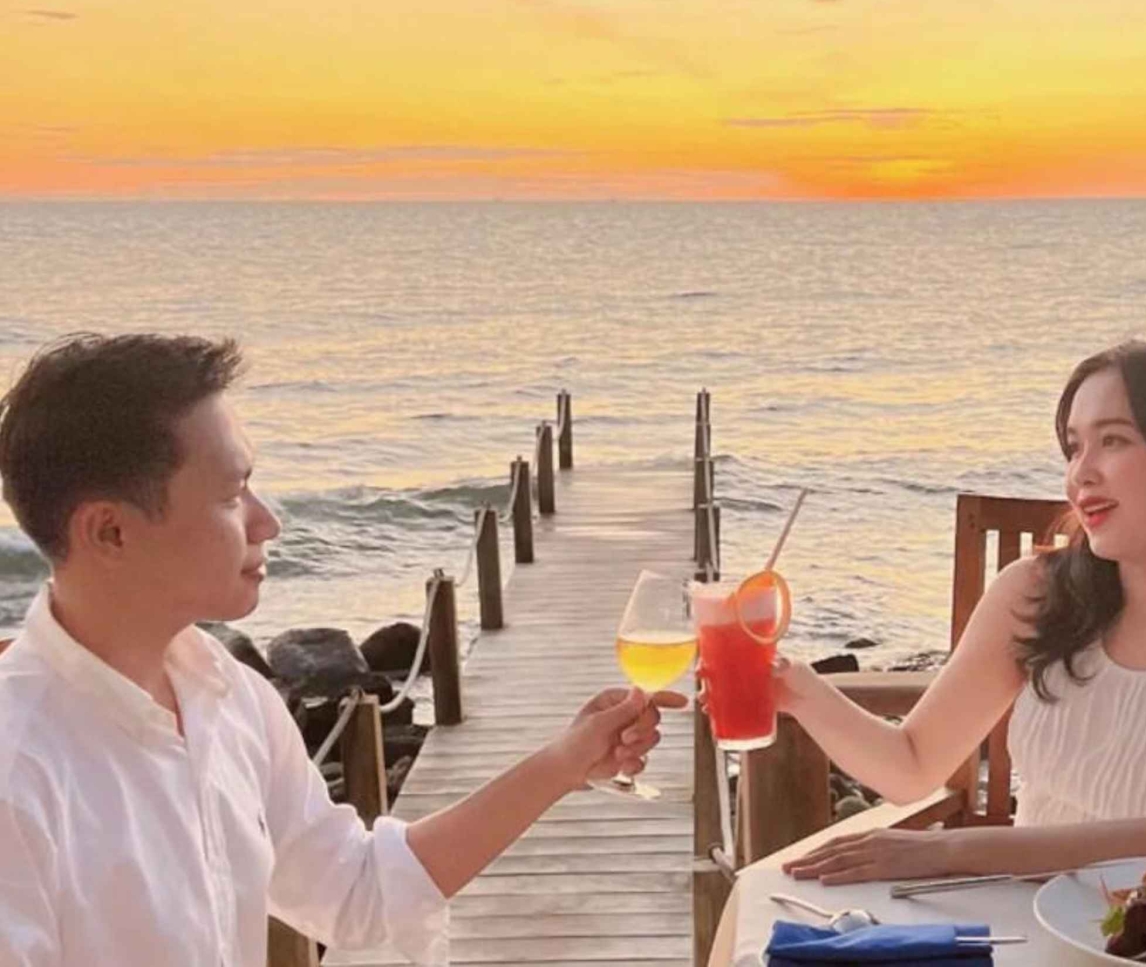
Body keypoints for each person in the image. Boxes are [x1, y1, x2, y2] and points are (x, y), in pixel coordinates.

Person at [0, 333, 684, 966]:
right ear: (110, 532)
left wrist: (565, 762)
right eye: (233, 494)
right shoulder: (19, 769)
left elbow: (358, 890)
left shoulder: (227, 694)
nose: (268, 521)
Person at [763, 334, 1146, 884]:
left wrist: (948, 850)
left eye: (1114, 441)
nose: (1081, 473)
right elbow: (911, 765)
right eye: (1074, 447)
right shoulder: (1034, 594)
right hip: (1016, 920)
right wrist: (797, 689)